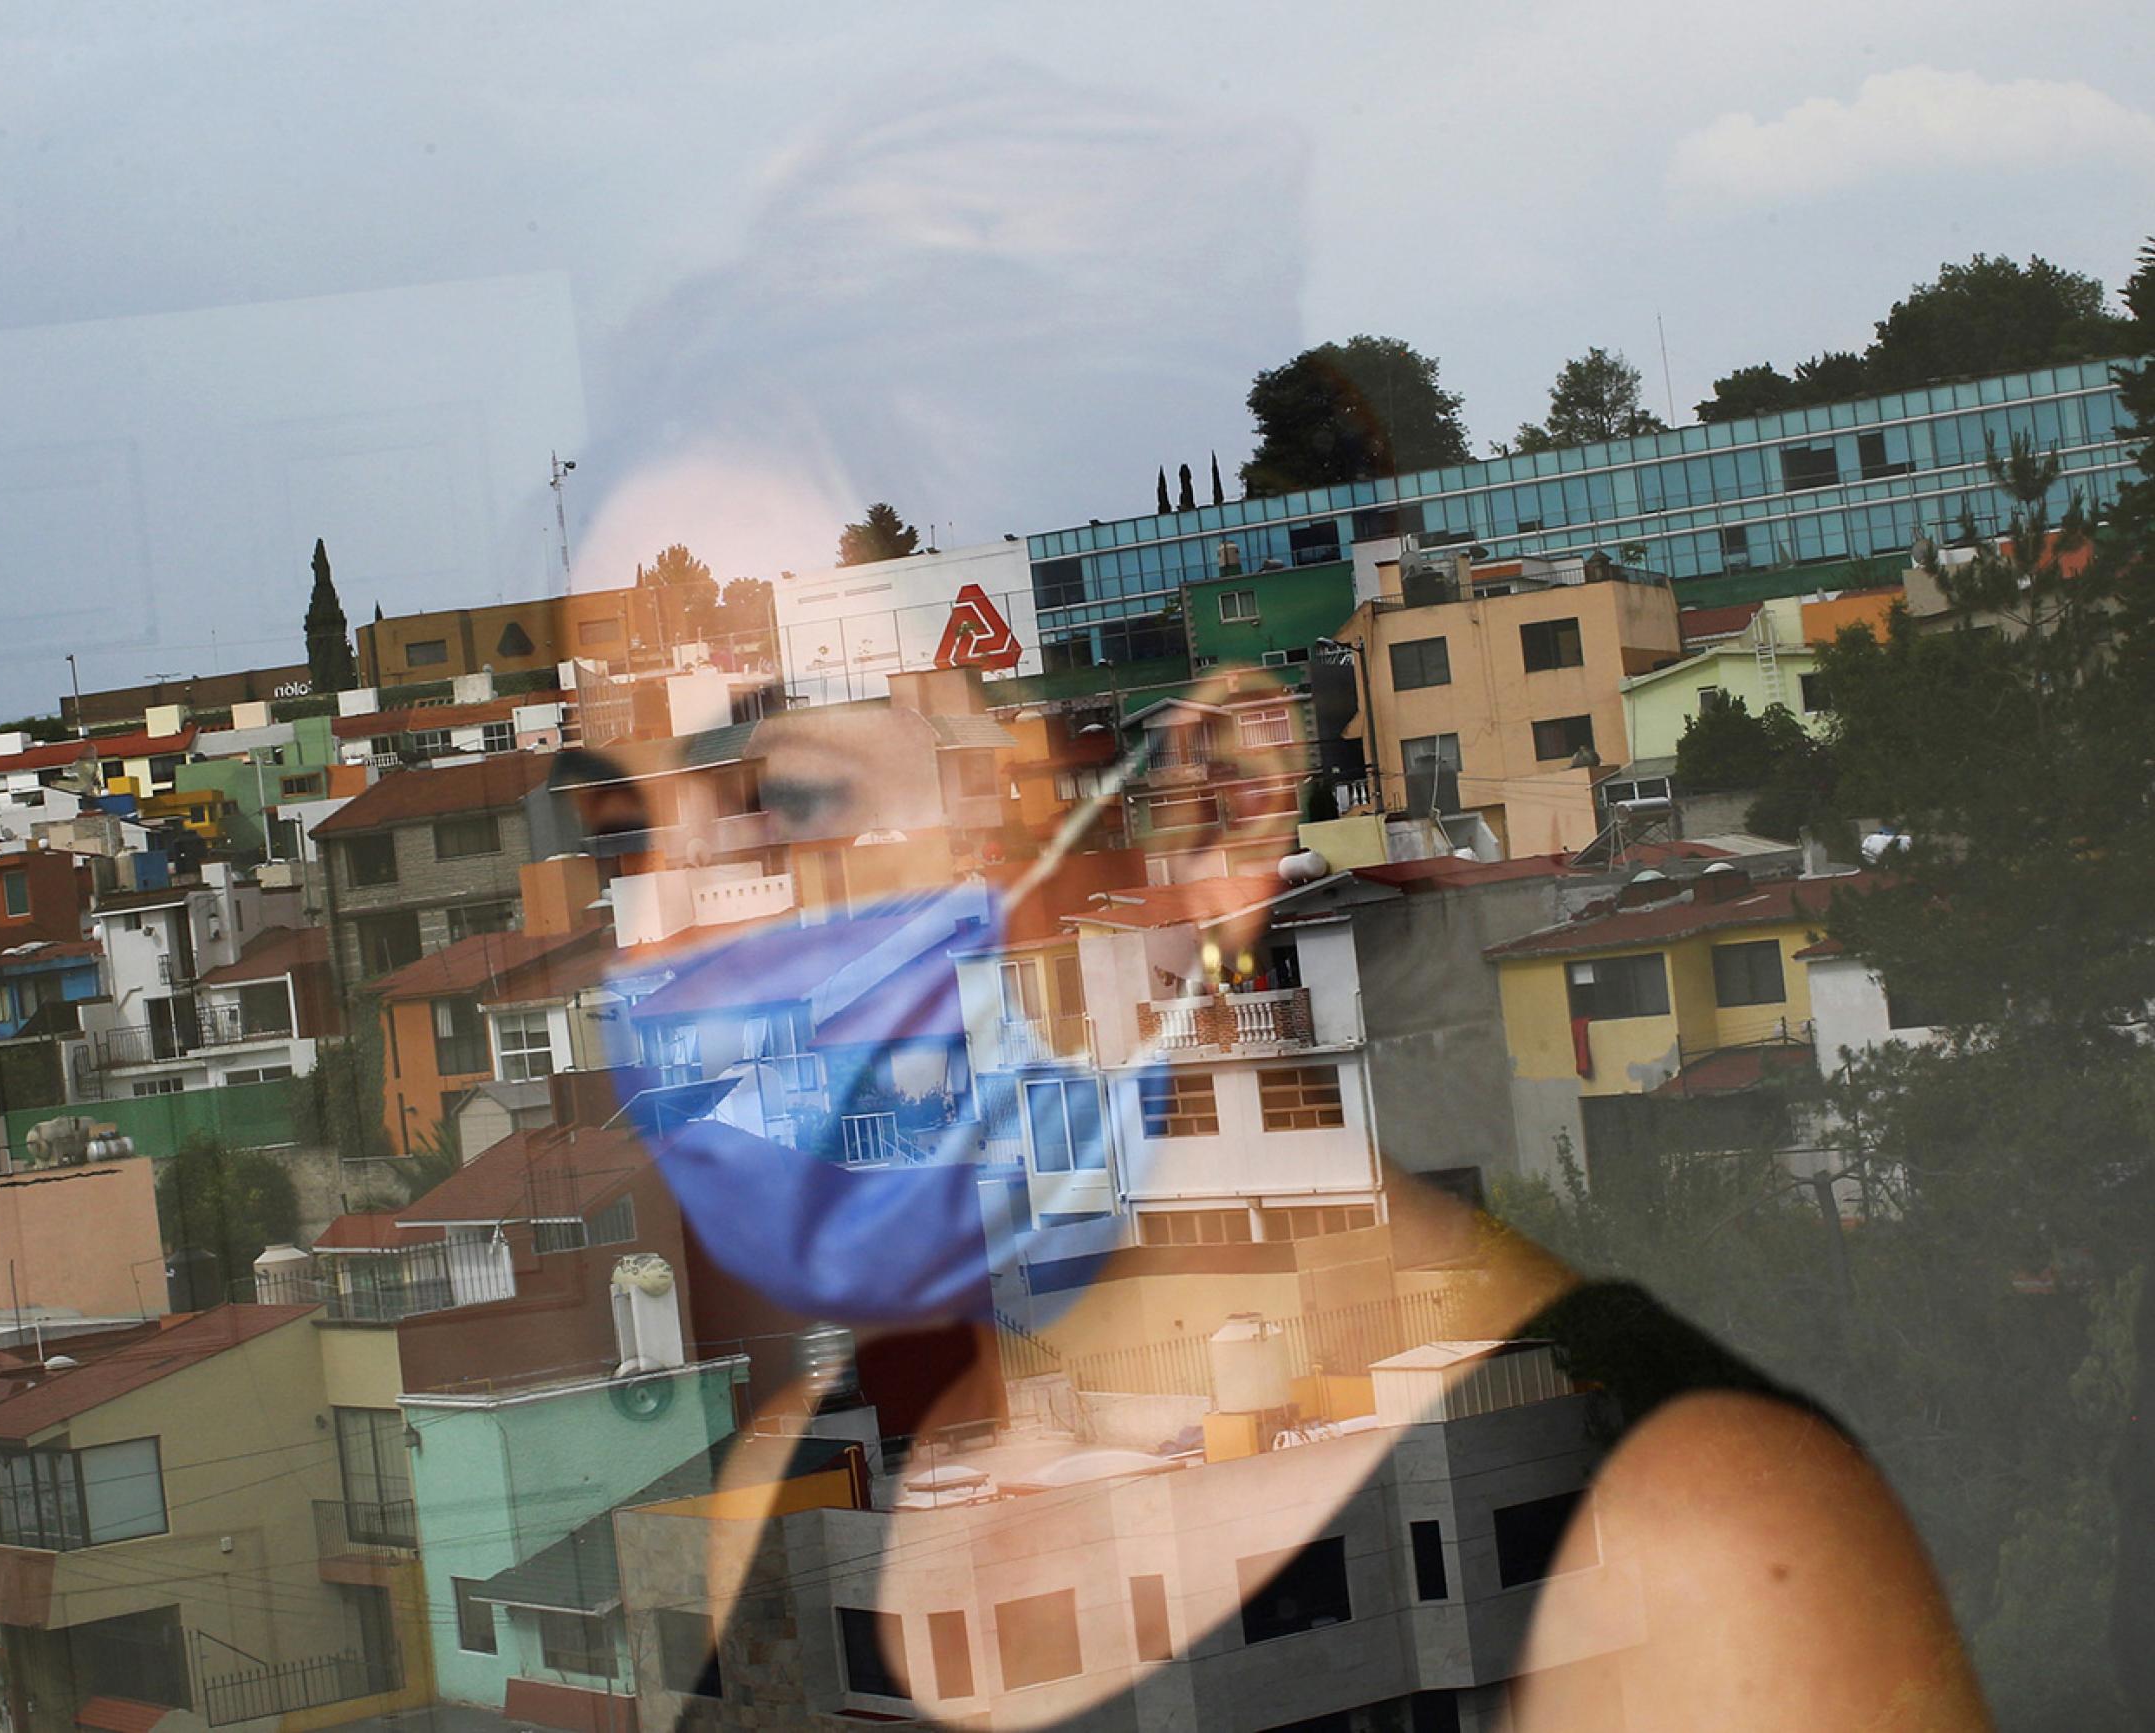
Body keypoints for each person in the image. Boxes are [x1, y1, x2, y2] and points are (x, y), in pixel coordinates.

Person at [550, 652, 1987, 1730]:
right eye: (658, 846)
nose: (709, 934)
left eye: (801, 811)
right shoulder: (799, 1482)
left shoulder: (1709, 1522)